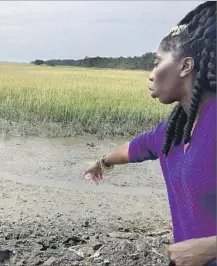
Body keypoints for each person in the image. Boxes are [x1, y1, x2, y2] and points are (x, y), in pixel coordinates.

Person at [84, 2, 216, 266]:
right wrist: (101, 163)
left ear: (185, 66)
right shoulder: (175, 130)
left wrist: (210, 247)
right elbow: (133, 149)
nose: (151, 75)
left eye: (157, 63)